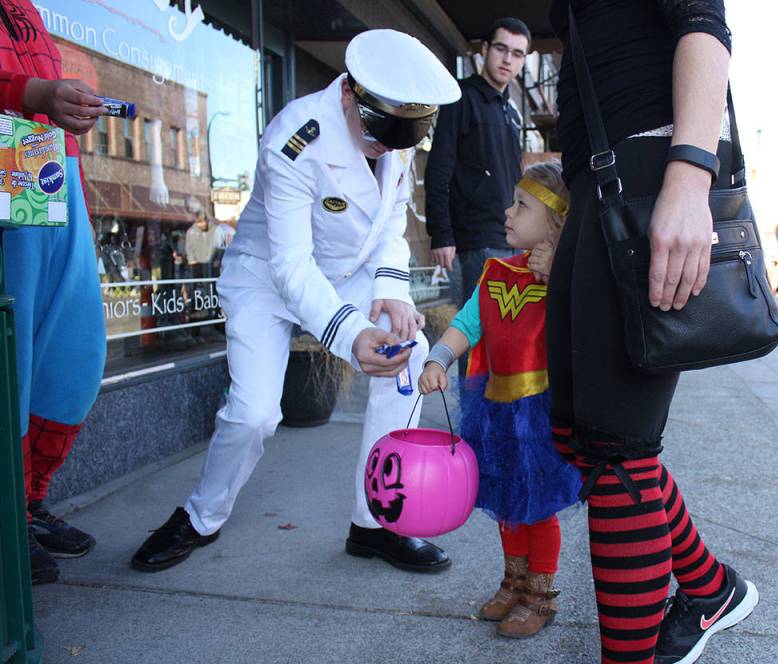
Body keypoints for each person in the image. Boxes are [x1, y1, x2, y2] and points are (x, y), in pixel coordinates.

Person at [130, 29, 461, 575]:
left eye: (408, 132)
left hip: (343, 274)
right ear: (352, 94)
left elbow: (391, 227)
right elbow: (290, 265)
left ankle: (374, 523)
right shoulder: (296, 135)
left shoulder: (395, 140)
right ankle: (200, 517)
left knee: (408, 355)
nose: (391, 145)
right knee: (255, 414)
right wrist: (353, 331)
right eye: (385, 128)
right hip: (267, 276)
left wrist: (392, 293)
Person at [548, 1, 759, 664]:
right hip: (595, 188)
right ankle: (710, 588)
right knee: (576, 439)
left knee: (617, 455)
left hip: (648, 168)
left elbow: (704, 26)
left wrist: (689, 177)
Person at [419, 161, 580, 639]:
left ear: (555, 223)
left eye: (522, 206)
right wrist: (438, 360)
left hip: (541, 413)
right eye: (512, 202)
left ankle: (541, 595)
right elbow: (469, 324)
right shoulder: (494, 274)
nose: (507, 212)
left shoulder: (567, 280)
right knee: (508, 499)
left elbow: (580, 327)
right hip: (494, 410)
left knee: (539, 504)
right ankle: (514, 582)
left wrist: (560, 274)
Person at [0, 0, 107, 585]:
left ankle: (27, 501)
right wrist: (35, 94)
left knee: (73, 354)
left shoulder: (27, 8)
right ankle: (8, 515)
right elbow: (27, 88)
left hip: (42, 167)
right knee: (10, 360)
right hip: (6, 164)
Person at [425, 17, 530, 308]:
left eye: (517, 53)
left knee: (504, 332)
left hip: (509, 236)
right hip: (474, 239)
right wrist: (441, 233)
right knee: (474, 333)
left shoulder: (511, 111)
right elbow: (439, 167)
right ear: (484, 49)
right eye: (501, 48)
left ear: (523, 60)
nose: (508, 59)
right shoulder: (461, 98)